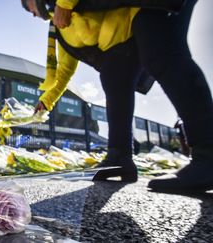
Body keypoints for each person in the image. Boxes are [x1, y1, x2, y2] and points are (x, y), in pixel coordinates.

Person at [21, 0, 213, 192]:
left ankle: (207, 155)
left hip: (142, 11)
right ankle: (119, 157)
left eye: (26, 4)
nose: (30, 12)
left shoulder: (63, 7)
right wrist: (45, 101)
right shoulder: (60, 26)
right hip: (123, 39)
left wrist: (64, 3)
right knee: (113, 76)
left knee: (163, 54)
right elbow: (63, 71)